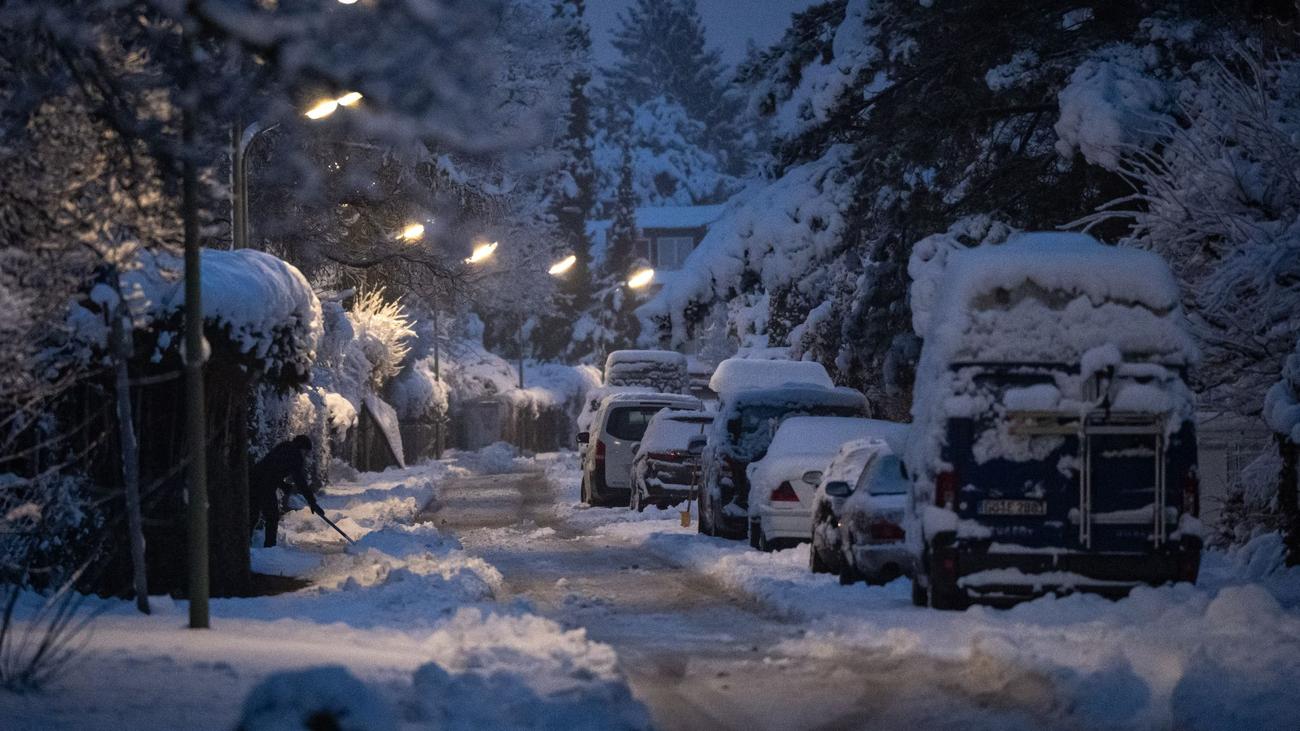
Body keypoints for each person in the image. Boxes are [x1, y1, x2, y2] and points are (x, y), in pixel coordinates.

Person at [249, 435, 323, 548]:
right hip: (264, 486)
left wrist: (283, 485)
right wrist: (312, 501)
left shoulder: (283, 447)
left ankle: (244, 546)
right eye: (305, 452)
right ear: (301, 447)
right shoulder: (295, 455)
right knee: (272, 516)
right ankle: (269, 548)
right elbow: (300, 481)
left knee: (252, 516)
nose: (305, 455)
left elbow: (272, 469)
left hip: (253, 481)